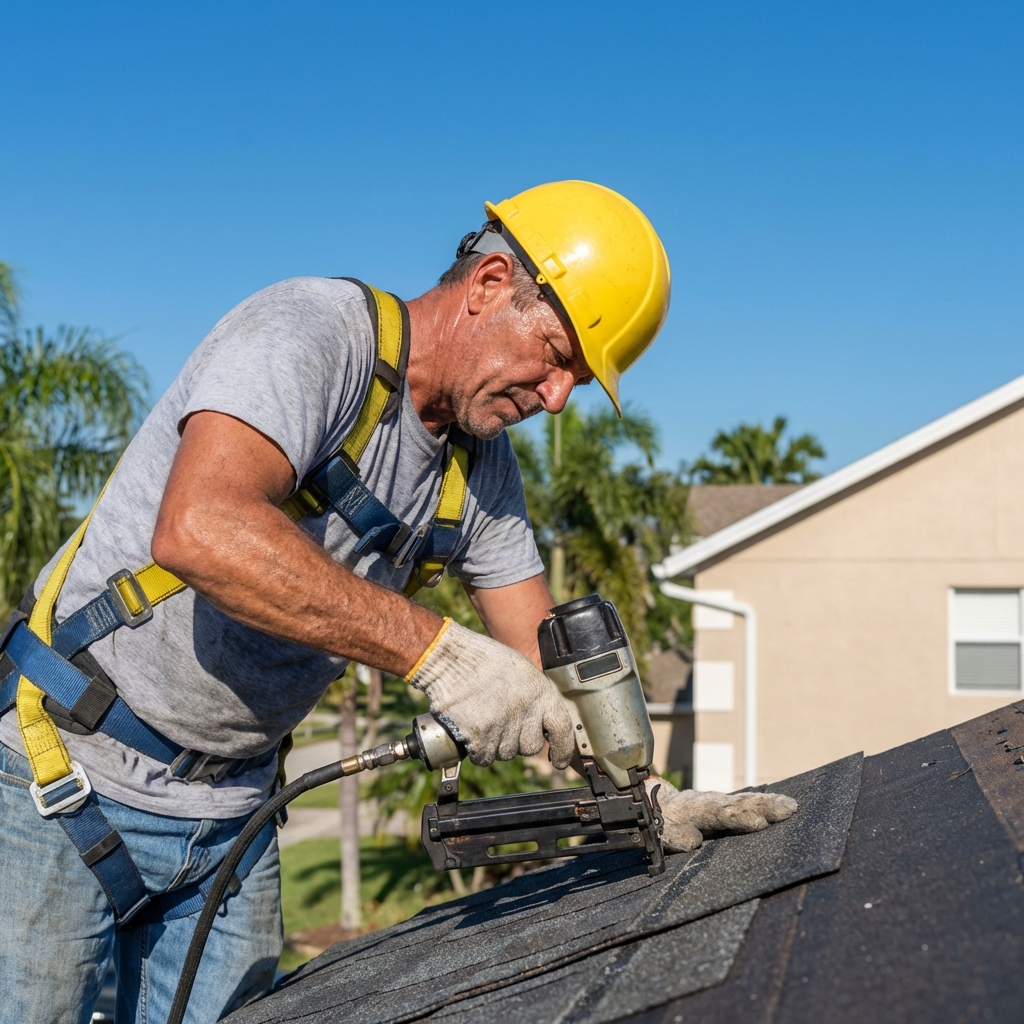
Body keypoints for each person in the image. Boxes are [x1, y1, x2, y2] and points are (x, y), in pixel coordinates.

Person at [0, 180, 793, 1024]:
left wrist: (646, 792)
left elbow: (539, 665)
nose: (558, 397)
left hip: (233, 819)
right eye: (557, 356)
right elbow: (200, 528)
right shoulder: (312, 333)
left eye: (578, 382)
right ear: (490, 284)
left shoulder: (480, 473)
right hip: (62, 779)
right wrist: (438, 655)